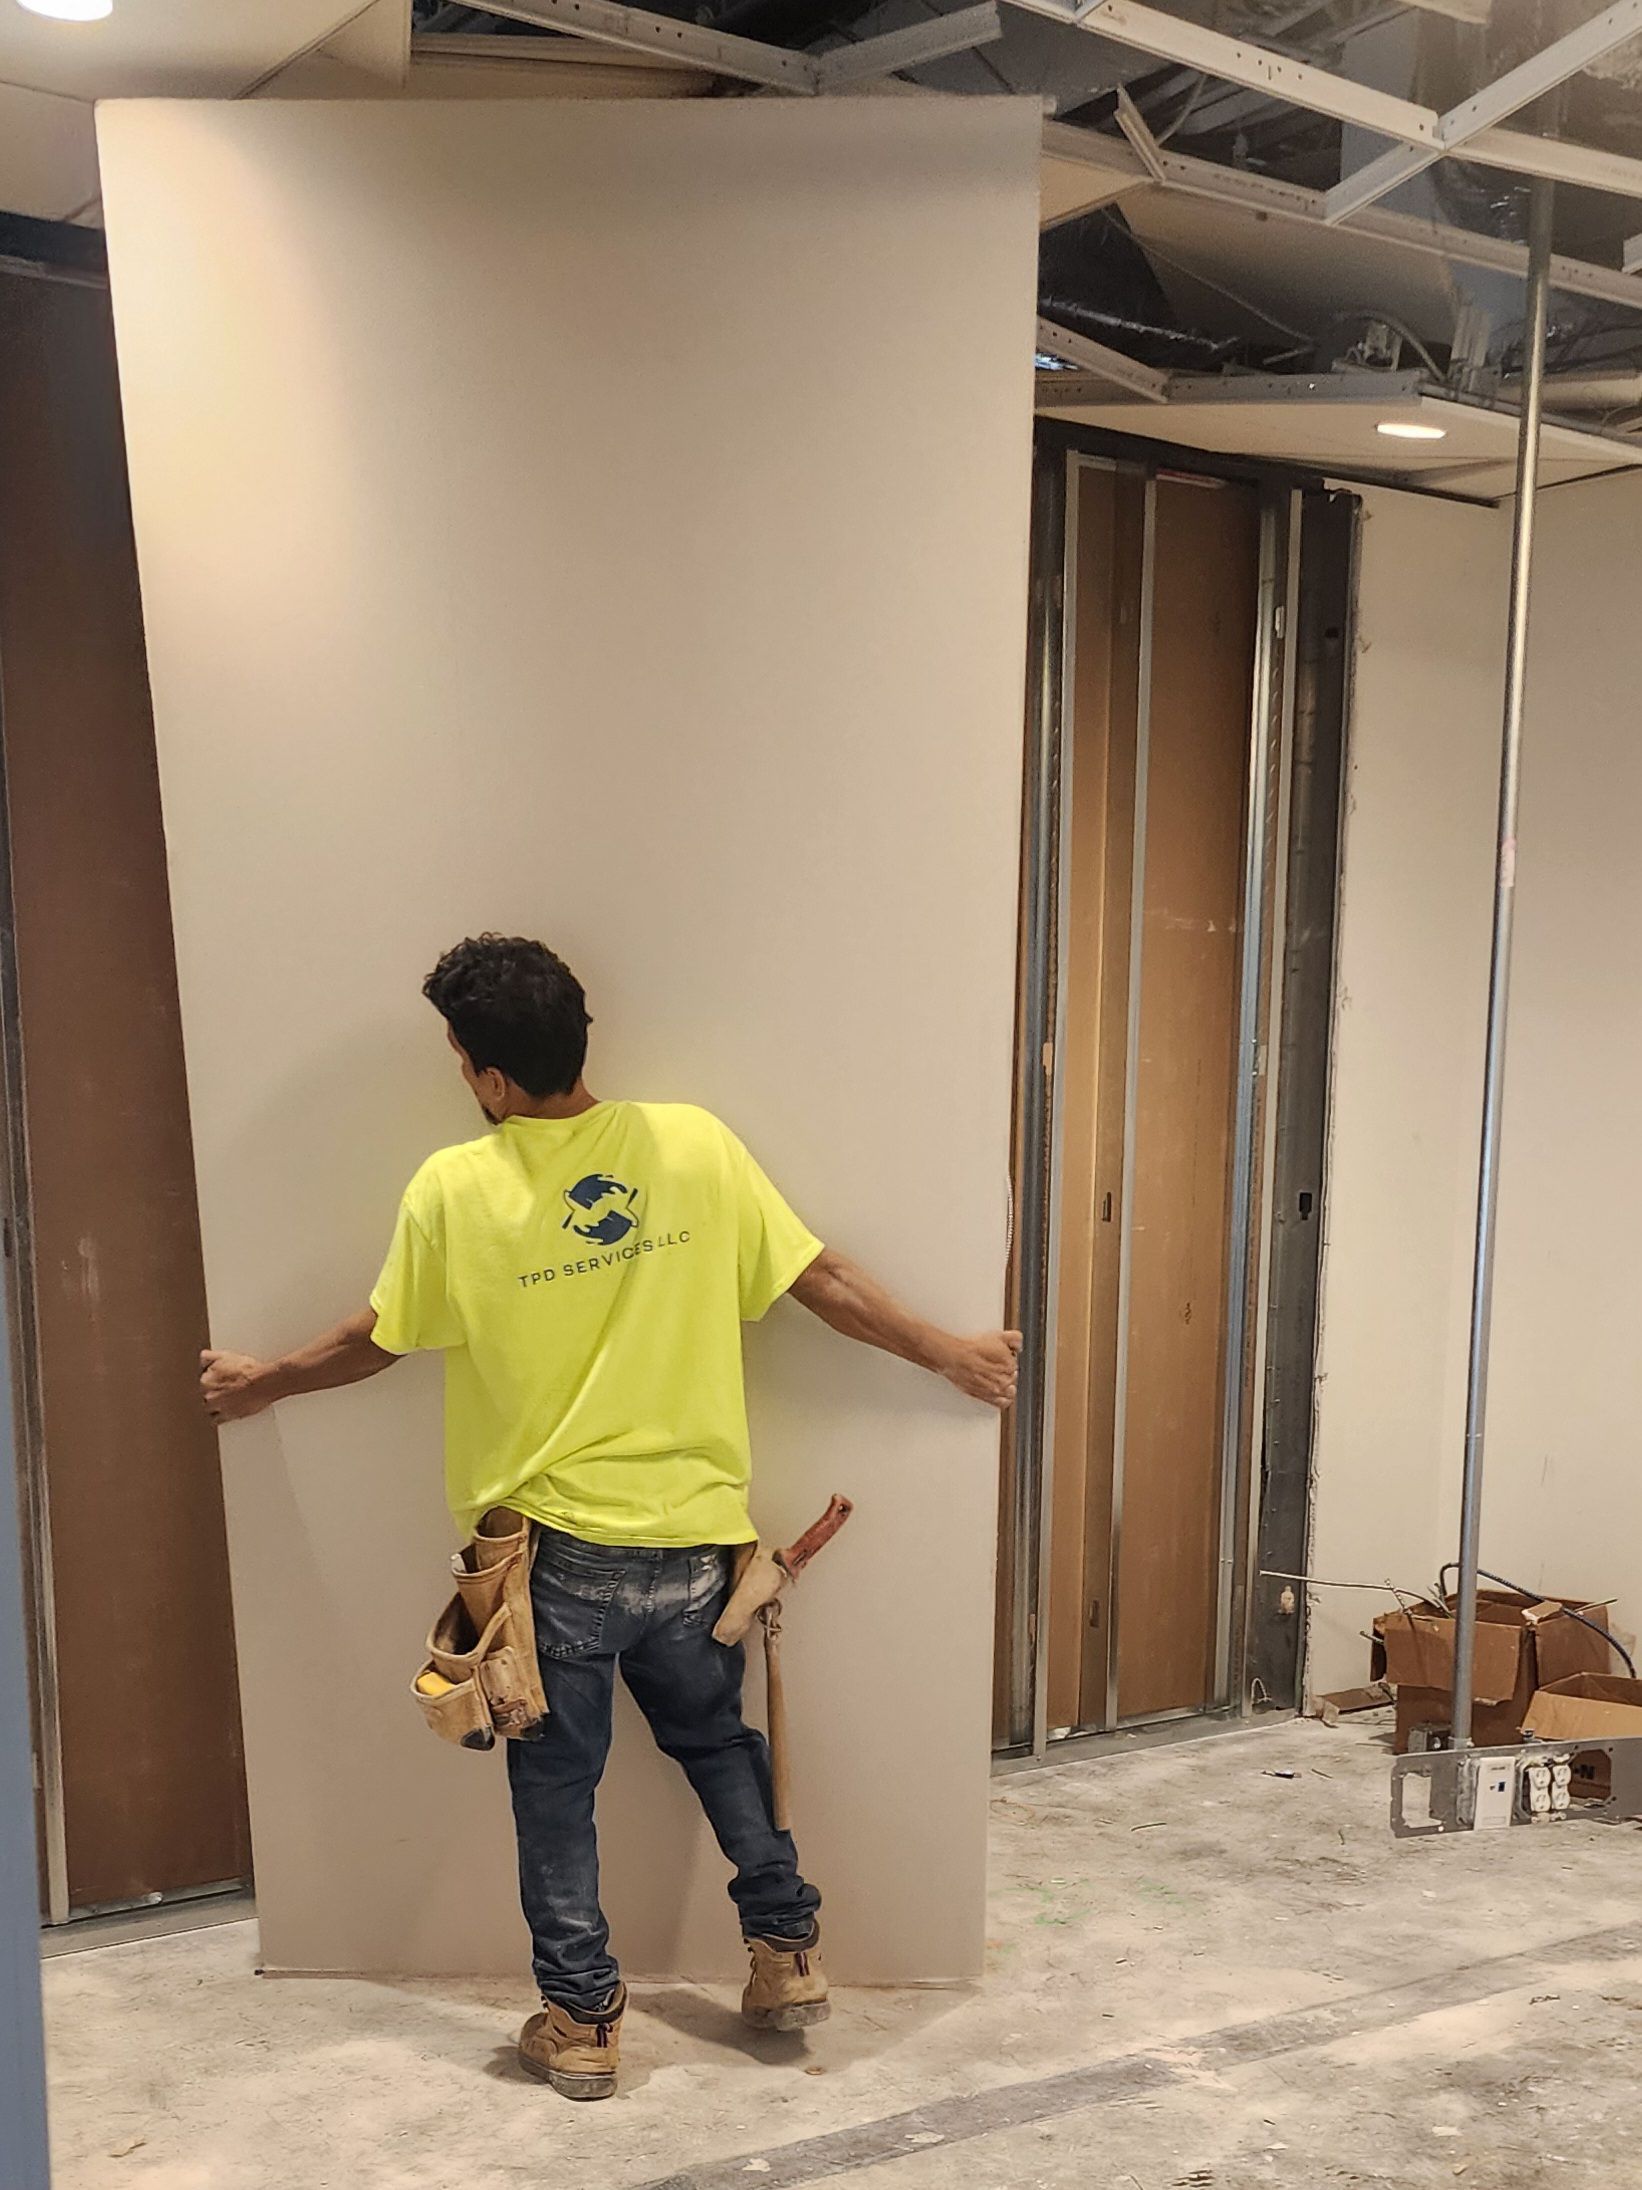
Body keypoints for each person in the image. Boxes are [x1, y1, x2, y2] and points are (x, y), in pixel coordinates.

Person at [199, 934, 1020, 2100]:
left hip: (555, 1561)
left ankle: (583, 2025)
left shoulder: (455, 1188)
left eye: (460, 1061)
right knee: (719, 1749)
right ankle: (786, 1953)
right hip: (699, 1542)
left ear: (491, 1076)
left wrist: (264, 1382)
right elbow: (819, 1279)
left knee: (555, 1793)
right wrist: (951, 1353)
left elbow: (377, 1337)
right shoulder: (694, 1146)